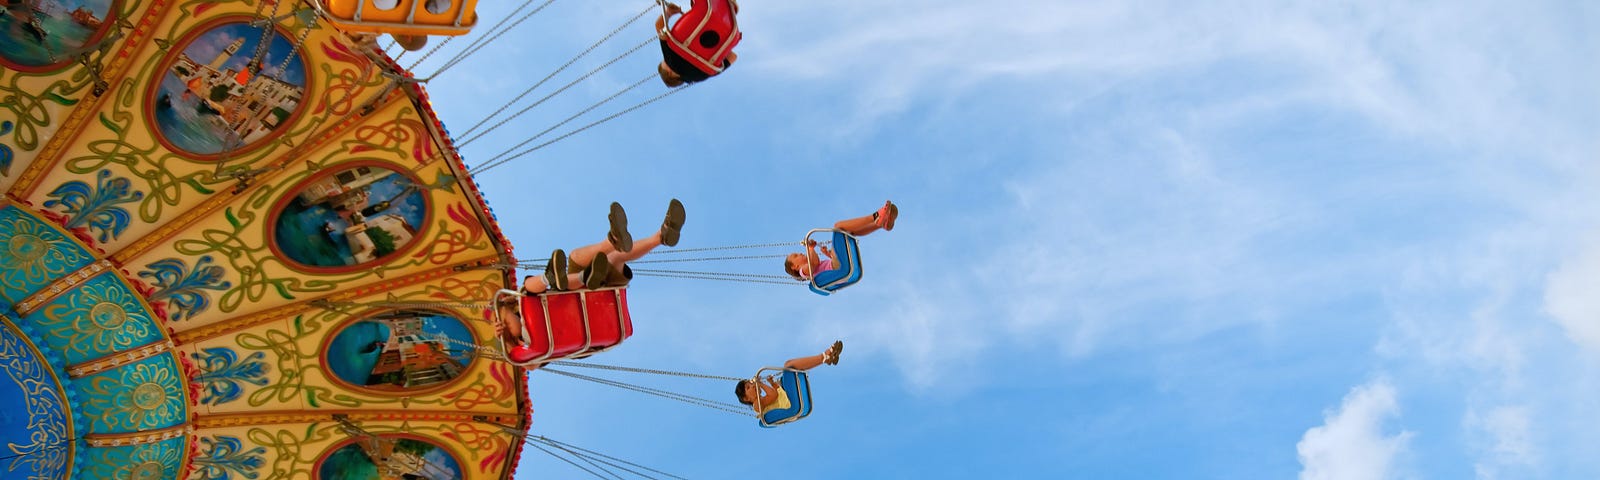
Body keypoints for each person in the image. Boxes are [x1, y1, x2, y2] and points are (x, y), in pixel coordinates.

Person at [784, 201, 899, 280]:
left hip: (840, 267)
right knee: (838, 226)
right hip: (838, 268)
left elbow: (817, 263)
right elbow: (813, 263)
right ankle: (876, 215)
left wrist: (828, 254)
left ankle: (880, 224)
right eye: (795, 256)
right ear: (794, 266)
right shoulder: (802, 272)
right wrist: (810, 248)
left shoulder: (813, 269)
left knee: (849, 232)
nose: (799, 253)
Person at [734, 341, 843, 414]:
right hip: (789, 403)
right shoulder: (757, 405)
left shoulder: (762, 400)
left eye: (751, 383)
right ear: (746, 398)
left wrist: (772, 383)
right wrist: (761, 383)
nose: (753, 385)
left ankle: (826, 357)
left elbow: (774, 394)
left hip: (787, 397)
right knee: (788, 366)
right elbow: (774, 395)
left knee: (789, 364)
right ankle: (825, 356)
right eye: (748, 387)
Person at [655, 0, 741, 87]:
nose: (665, 59)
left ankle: (727, 8)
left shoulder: (702, 76)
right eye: (664, 62)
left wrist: (716, 48)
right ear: (669, 73)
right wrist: (668, 12)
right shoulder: (670, 59)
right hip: (702, 13)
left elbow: (732, 57)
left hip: (728, 28)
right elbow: (659, 26)